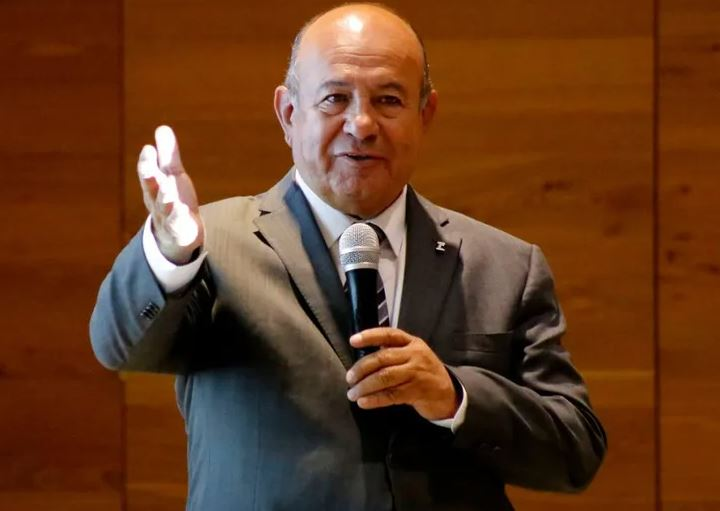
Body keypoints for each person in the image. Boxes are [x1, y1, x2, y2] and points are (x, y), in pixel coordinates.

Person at [90, 3, 607, 510]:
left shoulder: (503, 266)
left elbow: (575, 449)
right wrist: (171, 255)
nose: (361, 124)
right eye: (335, 98)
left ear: (425, 115)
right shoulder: (214, 247)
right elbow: (120, 348)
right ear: (289, 114)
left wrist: (455, 396)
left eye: (388, 100)